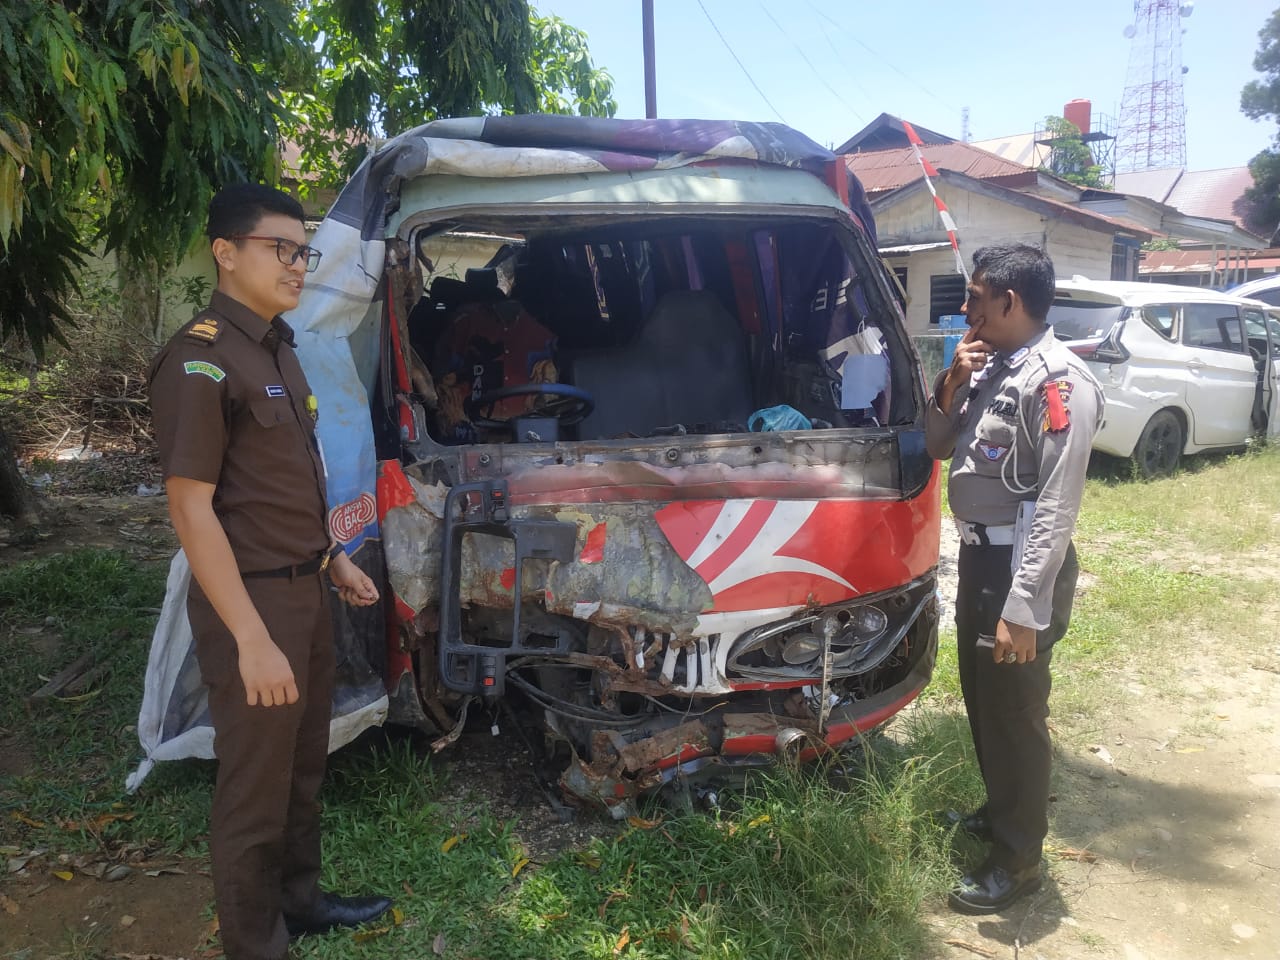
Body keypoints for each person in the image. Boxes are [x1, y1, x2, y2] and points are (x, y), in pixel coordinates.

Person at [148, 184, 393, 960]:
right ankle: (257, 945)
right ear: (226, 252)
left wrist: (333, 558)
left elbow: (281, 484)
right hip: (249, 605)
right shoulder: (201, 361)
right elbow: (193, 511)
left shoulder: (276, 346)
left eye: (305, 250)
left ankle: (302, 901)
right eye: (281, 249)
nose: (299, 265)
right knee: (255, 787)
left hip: (306, 593)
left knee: (302, 764)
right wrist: (251, 639)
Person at [924, 243, 1102, 915]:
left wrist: (1023, 605)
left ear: (1011, 301)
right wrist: (949, 384)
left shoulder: (1058, 382)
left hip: (1019, 566)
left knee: (1016, 714)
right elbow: (939, 446)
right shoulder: (992, 368)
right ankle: (1000, 813)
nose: (964, 308)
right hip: (979, 561)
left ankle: (1018, 861)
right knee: (984, 700)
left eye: (974, 298)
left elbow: (1057, 504)